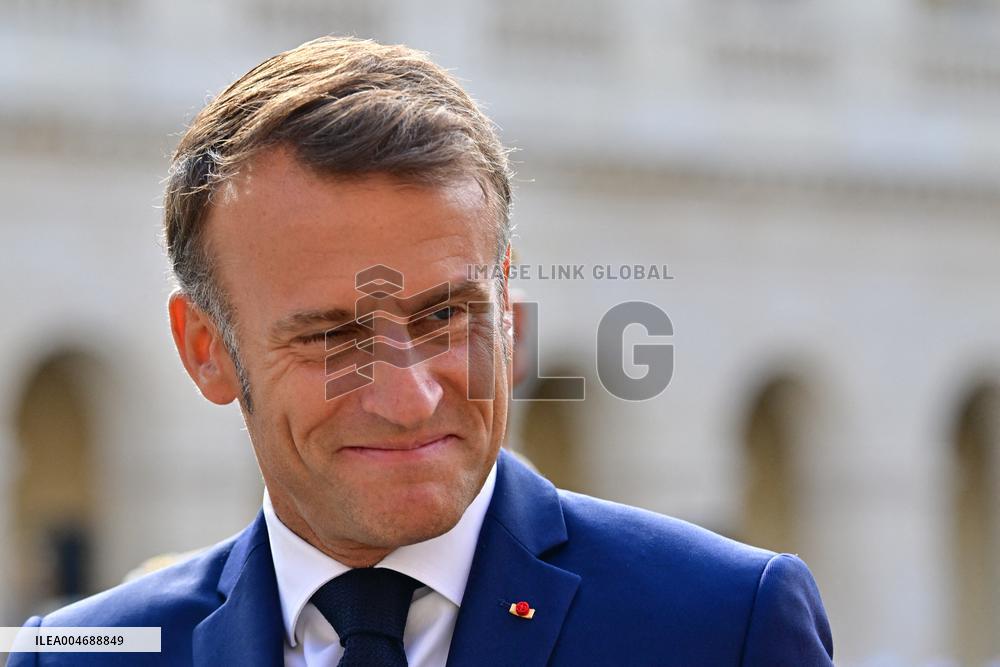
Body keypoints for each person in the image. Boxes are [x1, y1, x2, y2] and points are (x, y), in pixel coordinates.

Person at [8, 37, 834, 666]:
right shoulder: (76, 655)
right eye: (331, 335)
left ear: (507, 311)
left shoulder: (723, 624)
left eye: (446, 316)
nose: (408, 397)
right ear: (205, 350)